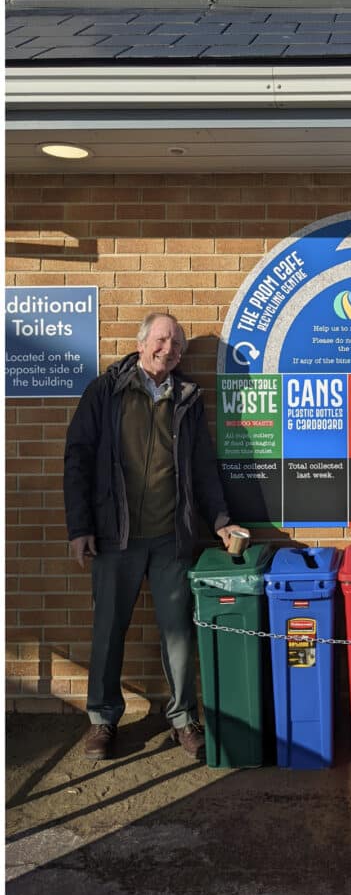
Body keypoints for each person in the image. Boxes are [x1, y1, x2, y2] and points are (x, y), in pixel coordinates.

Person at [64, 313, 243, 761]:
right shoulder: (104, 392)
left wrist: (219, 520)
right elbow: (78, 461)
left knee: (178, 632)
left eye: (178, 344)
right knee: (108, 630)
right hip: (114, 537)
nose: (170, 349)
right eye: (163, 339)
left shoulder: (185, 397)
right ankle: (103, 719)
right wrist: (80, 527)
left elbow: (203, 468)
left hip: (171, 538)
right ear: (141, 343)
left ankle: (183, 718)